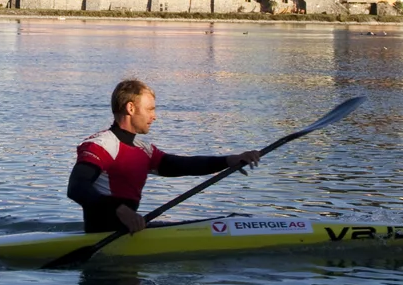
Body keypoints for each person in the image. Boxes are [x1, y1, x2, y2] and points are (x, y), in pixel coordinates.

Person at [66, 78, 260, 233]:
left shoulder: (144, 149)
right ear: (131, 108)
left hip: (129, 231)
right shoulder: (101, 145)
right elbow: (77, 187)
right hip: (103, 234)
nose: (154, 116)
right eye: (150, 109)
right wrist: (119, 210)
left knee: (229, 221)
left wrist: (230, 160)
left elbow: (180, 165)